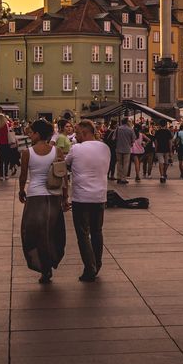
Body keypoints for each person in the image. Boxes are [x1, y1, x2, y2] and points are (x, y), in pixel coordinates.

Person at [19, 119, 67, 284]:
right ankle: (50, 262)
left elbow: (23, 175)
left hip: (34, 197)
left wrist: (21, 191)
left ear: (38, 134)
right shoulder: (57, 151)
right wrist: (65, 196)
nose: (30, 135)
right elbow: (63, 175)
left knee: (33, 232)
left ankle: (43, 268)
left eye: (31, 132)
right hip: (54, 195)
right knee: (52, 231)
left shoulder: (27, 152)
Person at [66, 120, 110, 282]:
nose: (75, 136)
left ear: (84, 133)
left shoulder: (76, 148)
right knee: (97, 231)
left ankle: (89, 267)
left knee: (83, 234)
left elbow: (64, 164)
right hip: (99, 196)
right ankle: (97, 263)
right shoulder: (105, 148)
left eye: (77, 133)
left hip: (81, 197)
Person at [112, 118, 135, 184]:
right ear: (127, 122)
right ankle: (123, 178)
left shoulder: (118, 129)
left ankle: (118, 177)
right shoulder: (130, 129)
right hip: (127, 148)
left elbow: (113, 138)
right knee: (126, 164)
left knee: (119, 163)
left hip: (118, 148)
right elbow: (133, 140)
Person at [0, 114, 16, 181]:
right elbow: (12, 124)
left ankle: (1, 176)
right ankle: (6, 175)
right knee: (6, 160)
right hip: (7, 144)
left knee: (1, 159)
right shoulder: (6, 125)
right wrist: (7, 118)